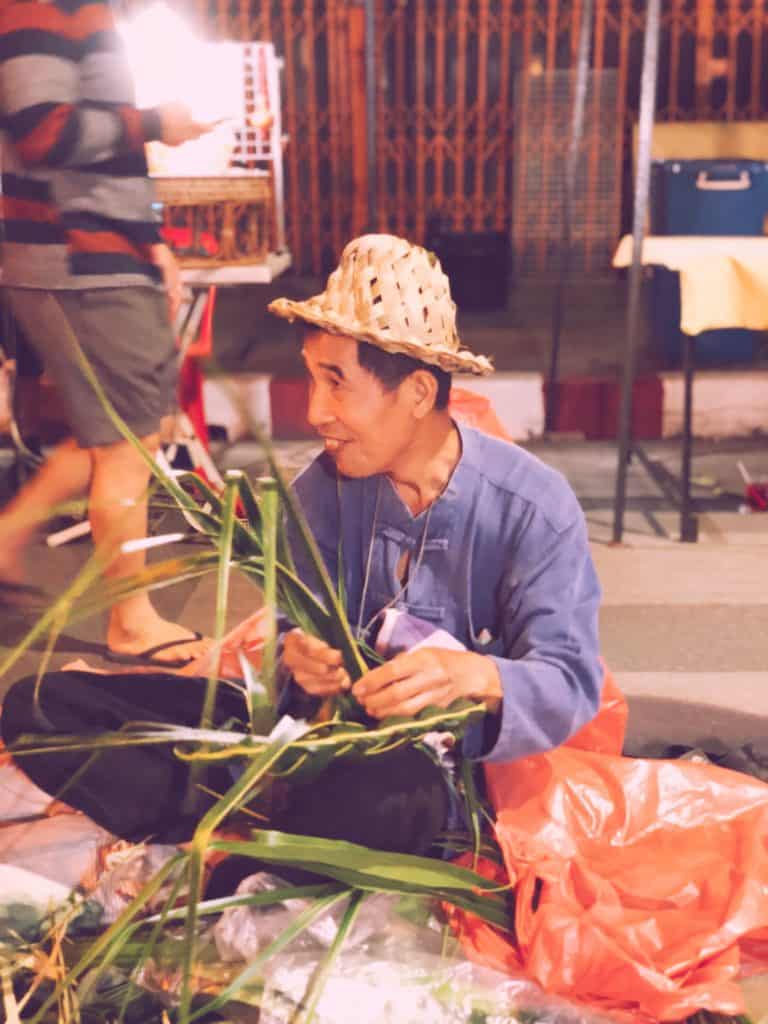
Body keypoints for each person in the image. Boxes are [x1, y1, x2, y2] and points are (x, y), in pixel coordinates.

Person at [1, 234, 603, 871]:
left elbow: (571, 682)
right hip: (292, 739)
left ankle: (243, 846)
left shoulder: (532, 506)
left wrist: (475, 676)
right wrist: (299, 657)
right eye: (313, 380)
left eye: (337, 384)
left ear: (419, 393)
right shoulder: (321, 489)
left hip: (418, 762)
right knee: (39, 708)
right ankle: (263, 823)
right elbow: (294, 628)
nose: (316, 411)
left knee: (395, 802)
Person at [0, 0, 210, 664]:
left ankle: (5, 542)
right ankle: (133, 621)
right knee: (129, 442)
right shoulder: (43, 4)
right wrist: (157, 122)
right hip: (75, 255)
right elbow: (44, 132)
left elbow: (104, 166)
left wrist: (150, 241)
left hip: (93, 249)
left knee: (107, 433)